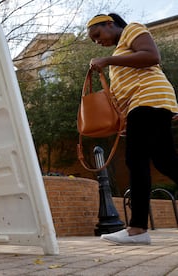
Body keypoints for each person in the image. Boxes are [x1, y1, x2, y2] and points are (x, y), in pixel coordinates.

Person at [87, 13, 178, 245]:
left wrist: (107, 61)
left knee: (136, 162)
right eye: (94, 41)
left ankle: (137, 229)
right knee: (165, 162)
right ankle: (137, 229)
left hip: (148, 100)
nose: (98, 41)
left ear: (110, 24)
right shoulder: (119, 53)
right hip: (144, 105)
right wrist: (125, 119)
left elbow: (151, 56)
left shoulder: (132, 30)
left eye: (98, 35)